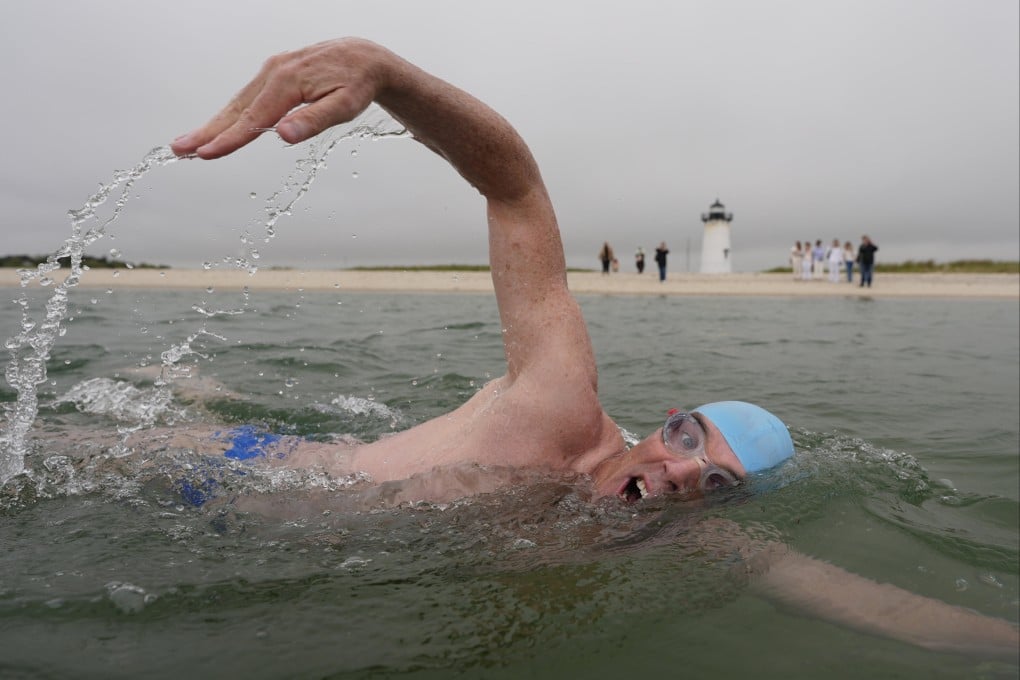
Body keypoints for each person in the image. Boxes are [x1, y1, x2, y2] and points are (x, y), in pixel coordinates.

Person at [169, 38, 1017, 657]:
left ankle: (197, 389)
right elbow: (515, 188)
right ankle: (192, 402)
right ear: (663, 424)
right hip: (228, 471)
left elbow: (873, 606)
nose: (688, 473)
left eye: (717, 482)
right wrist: (386, 74)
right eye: (690, 442)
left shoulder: (680, 534)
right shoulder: (560, 408)